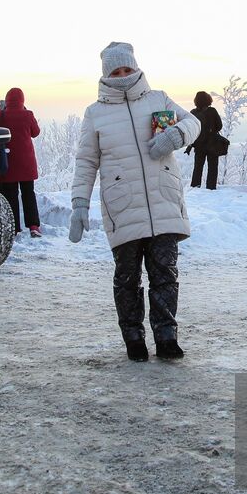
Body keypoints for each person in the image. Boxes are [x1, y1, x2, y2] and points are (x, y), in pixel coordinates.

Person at [69, 42, 199, 361]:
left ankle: (167, 337)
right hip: (122, 207)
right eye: (116, 71)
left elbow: (193, 123)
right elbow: (86, 161)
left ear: (136, 67)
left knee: (165, 274)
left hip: (163, 202)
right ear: (107, 74)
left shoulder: (158, 99)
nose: (123, 75)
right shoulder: (96, 113)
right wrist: (79, 203)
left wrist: (173, 136)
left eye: (127, 69)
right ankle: (133, 337)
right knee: (127, 277)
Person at [0, 87, 42, 237]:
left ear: (7, 100)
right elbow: (36, 132)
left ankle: (14, 228)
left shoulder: (2, 115)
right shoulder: (28, 114)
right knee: (28, 194)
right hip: (27, 163)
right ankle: (33, 226)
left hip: (9, 162)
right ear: (22, 100)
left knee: (11, 194)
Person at [186, 91, 224, 190]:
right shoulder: (212, 111)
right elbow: (219, 126)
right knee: (213, 167)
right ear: (208, 100)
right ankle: (211, 187)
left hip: (199, 144)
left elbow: (190, 129)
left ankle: (195, 186)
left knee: (198, 167)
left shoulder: (193, 113)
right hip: (212, 144)